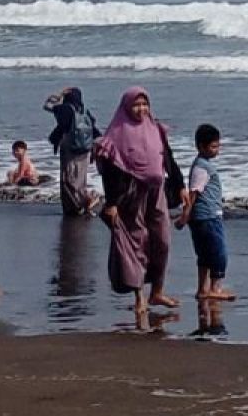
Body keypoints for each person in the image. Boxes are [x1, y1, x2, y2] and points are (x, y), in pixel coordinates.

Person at [95, 86, 179, 314]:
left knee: (162, 240)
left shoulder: (154, 127)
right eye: (136, 104)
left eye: (144, 104)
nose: (141, 109)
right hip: (130, 194)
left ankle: (158, 292)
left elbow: (167, 157)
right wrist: (111, 203)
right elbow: (111, 170)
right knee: (136, 241)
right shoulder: (116, 134)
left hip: (156, 191)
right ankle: (139, 295)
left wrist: (179, 186)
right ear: (126, 106)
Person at [175, 124, 235, 300]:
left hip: (202, 216)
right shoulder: (202, 167)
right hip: (207, 216)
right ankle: (215, 289)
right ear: (201, 146)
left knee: (205, 254)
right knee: (218, 253)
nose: (217, 150)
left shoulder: (202, 164)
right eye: (213, 146)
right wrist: (185, 215)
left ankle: (203, 289)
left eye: (218, 145)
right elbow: (194, 192)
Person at [44, 87, 102, 216]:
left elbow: (47, 106)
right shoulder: (85, 112)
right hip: (85, 150)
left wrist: (58, 96)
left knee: (67, 179)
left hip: (70, 149)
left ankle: (79, 205)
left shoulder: (65, 109)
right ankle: (83, 202)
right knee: (80, 179)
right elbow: (94, 130)